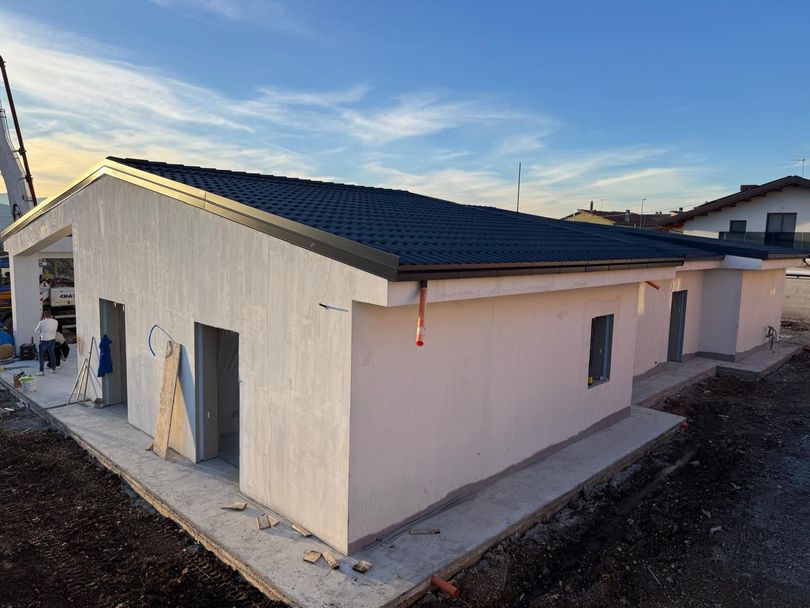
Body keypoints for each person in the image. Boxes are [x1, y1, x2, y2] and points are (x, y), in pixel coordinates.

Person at [35, 310, 59, 376]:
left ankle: (41, 371)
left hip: (44, 340)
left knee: (41, 355)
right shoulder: (55, 321)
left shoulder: (42, 322)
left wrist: (41, 332)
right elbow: (55, 329)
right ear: (51, 315)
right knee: (52, 354)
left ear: (44, 316)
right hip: (52, 340)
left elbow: (36, 330)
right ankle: (53, 368)